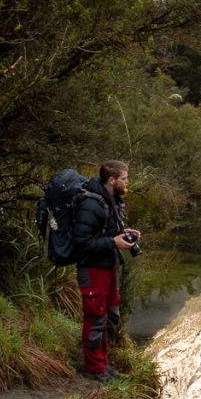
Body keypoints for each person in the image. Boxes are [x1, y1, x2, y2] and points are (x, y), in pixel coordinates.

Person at [72, 159, 141, 382]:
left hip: (107, 266)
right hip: (92, 270)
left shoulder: (110, 199)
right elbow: (81, 243)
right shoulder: (91, 205)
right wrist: (113, 242)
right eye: (124, 179)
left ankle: (102, 362)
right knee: (96, 318)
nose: (127, 182)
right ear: (112, 180)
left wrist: (123, 233)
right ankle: (93, 368)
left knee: (109, 317)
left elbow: (103, 232)